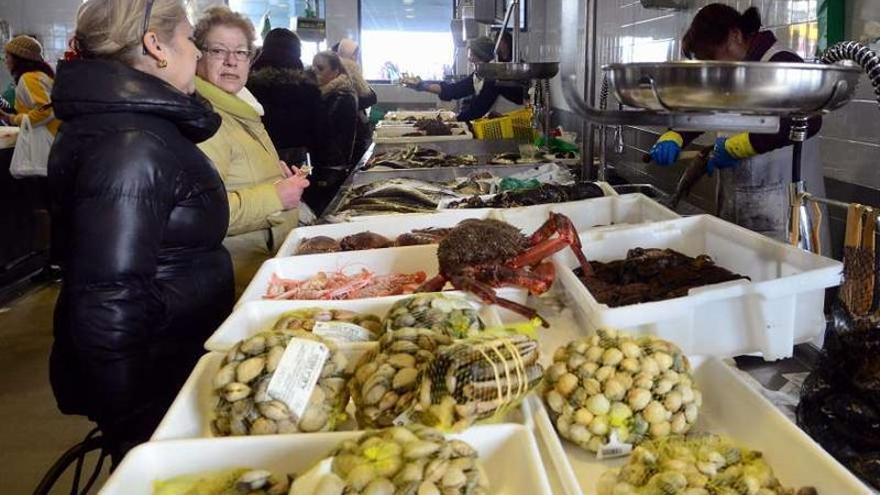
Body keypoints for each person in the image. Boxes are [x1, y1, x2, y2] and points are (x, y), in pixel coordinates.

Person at [48, 0, 235, 461]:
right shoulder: (132, 145)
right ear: (156, 46)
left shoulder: (136, 128)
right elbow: (108, 294)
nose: (195, 53)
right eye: (191, 40)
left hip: (176, 360)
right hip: (158, 381)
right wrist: (135, 425)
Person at [647, 4, 829, 251]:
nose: (714, 67)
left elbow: (810, 119)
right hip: (738, 201)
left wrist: (739, 147)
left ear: (735, 35)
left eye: (714, 56)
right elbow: (705, 105)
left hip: (784, 210)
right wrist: (676, 134)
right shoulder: (732, 69)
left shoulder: (782, 62)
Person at [193, 7, 309, 294]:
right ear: (198, 56)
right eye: (218, 51)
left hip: (260, 272)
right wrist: (276, 195)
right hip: (234, 281)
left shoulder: (242, 108)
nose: (231, 62)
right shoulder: (204, 120)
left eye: (241, 52)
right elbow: (199, 214)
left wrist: (277, 179)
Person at [403, 36, 524, 122]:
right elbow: (454, 90)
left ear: (483, 58)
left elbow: (478, 110)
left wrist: (454, 120)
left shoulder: (495, 78)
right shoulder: (479, 75)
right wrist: (421, 85)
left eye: (473, 58)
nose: (471, 62)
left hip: (511, 127)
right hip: (494, 126)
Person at [247, 28, 322, 165]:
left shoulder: (250, 87)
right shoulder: (308, 87)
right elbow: (319, 133)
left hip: (258, 157)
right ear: (296, 52)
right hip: (299, 159)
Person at [307, 50, 358, 214]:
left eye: (320, 68)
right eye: (313, 67)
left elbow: (324, 133)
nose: (315, 72)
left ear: (336, 71)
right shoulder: (329, 94)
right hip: (328, 165)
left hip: (331, 167)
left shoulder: (340, 96)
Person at [0, 35, 59, 135]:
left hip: (46, 137)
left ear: (18, 59)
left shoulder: (29, 78)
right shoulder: (40, 75)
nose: (5, 61)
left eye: (7, 57)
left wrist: (14, 119)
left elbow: (46, 111)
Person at [332, 38, 376, 164]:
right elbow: (370, 97)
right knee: (354, 166)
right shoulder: (347, 72)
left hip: (348, 134)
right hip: (351, 134)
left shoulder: (332, 73)